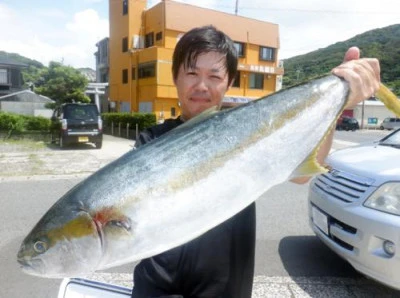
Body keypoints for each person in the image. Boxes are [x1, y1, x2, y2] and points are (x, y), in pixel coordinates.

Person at [131, 25, 380, 298]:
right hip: (156, 287)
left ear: (229, 82)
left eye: (214, 76)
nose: (201, 86)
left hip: (226, 289)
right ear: (175, 77)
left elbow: (301, 174)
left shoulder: (248, 132)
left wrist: (337, 100)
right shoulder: (151, 141)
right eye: (191, 73)